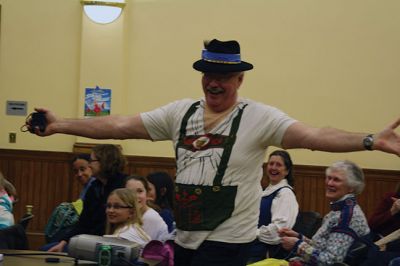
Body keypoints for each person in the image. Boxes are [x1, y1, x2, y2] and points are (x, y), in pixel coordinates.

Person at [28, 39, 400, 265]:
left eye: (223, 75)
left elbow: (315, 135)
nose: (214, 81)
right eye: (208, 73)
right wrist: (60, 125)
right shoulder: (180, 113)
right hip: (185, 239)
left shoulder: (259, 117)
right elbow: (119, 125)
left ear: (240, 79)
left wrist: (370, 140)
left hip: (227, 244)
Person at [279, 160, 370, 265]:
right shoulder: (340, 210)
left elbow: (330, 261)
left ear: (351, 188)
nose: (329, 183)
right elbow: (321, 247)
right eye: (329, 178)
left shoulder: (347, 217)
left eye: (336, 180)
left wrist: (297, 245)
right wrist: (298, 237)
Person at [47, 144, 127, 252]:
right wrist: (63, 242)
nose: (89, 165)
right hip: (91, 239)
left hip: (113, 242)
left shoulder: (123, 184)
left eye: (91, 161)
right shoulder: (94, 187)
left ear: (104, 161)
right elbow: (83, 222)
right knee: (48, 248)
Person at [248, 150, 299, 263]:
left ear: (287, 171)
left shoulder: (285, 194)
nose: (273, 168)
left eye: (278, 165)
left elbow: (279, 231)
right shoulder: (266, 191)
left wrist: (252, 233)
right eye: (271, 164)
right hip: (252, 247)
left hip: (266, 255)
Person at [43, 154, 95, 244]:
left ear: (91, 167)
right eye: (75, 171)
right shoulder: (87, 186)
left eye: (83, 169)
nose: (79, 174)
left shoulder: (93, 185)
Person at [125, 175, 170, 242]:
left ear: (147, 194)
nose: (135, 196)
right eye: (130, 192)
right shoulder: (128, 213)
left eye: (140, 191)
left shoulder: (150, 217)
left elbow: (143, 248)